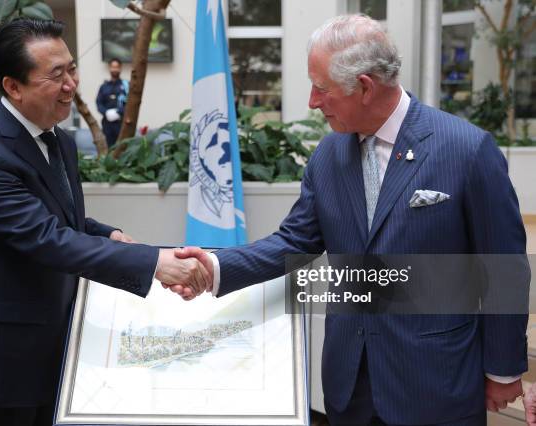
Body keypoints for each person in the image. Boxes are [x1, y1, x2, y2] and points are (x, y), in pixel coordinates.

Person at [171, 14, 528, 425]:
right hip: (350, 385)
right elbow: (294, 242)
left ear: (364, 87)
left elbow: (504, 267)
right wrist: (213, 267)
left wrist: (503, 369)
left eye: (321, 89)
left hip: (435, 383)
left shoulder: (466, 150)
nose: (311, 101)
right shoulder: (327, 157)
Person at [0, 18, 208, 425]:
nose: (71, 84)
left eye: (71, 68)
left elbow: (61, 217)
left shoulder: (57, 138)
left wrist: (111, 235)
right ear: (13, 87)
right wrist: (155, 262)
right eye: (55, 75)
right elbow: (46, 238)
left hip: (56, 346)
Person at [96, 57, 129, 147]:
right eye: (113, 67)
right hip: (107, 124)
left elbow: (130, 103)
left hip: (122, 124)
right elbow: (99, 103)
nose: (115, 69)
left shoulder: (126, 85)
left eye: (117, 67)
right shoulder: (103, 87)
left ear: (120, 68)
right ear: (109, 68)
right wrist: (106, 112)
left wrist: (119, 112)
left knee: (122, 148)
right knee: (109, 150)